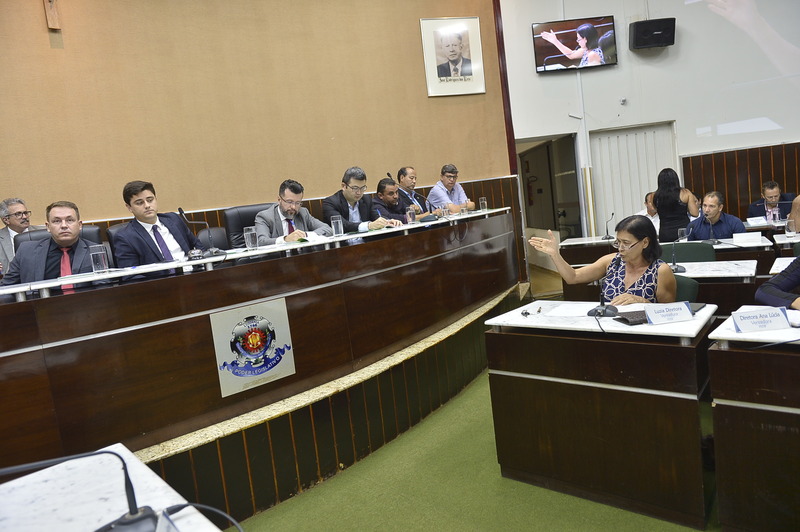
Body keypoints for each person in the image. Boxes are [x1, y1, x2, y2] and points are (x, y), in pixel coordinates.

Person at [528, 215, 676, 305]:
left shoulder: (660, 271)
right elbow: (573, 277)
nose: (620, 248)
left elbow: (670, 312)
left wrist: (642, 301)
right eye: (618, 242)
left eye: (626, 243)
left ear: (645, 242)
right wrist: (555, 254)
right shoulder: (612, 262)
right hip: (608, 328)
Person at [112, 181, 205, 273]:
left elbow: (199, 248)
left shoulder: (174, 220)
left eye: (150, 200)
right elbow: (130, 275)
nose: (147, 206)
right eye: (139, 203)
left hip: (193, 275)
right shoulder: (125, 237)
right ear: (129, 207)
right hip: (161, 281)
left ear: (156, 199)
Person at [1, 201, 95, 291]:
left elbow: (102, 287)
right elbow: (5, 288)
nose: (64, 225)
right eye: (57, 221)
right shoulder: (26, 251)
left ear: (79, 225)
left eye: (69, 220)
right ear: (48, 227)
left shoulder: (96, 251)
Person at [322, 167, 401, 233]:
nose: (359, 192)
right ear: (344, 186)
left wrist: (387, 222)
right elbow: (343, 225)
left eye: (362, 188)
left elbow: (376, 217)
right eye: (355, 188)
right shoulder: (330, 203)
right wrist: (368, 226)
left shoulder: (366, 199)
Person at [254, 179, 332, 246]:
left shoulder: (303, 213)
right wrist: (285, 239)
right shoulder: (265, 217)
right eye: (289, 202)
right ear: (279, 200)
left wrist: (305, 235)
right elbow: (261, 241)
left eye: (298, 203)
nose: (293, 207)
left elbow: (327, 229)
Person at [653, 168, 700, 241]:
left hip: (665, 232)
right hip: (683, 231)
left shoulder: (655, 196)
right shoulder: (685, 193)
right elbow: (695, 213)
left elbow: (655, 210)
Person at [0, 198, 45, 272]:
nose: (24, 217)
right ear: (6, 220)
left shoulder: (43, 232)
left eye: (25, 213)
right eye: (18, 214)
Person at [540, 23, 604, 67]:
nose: (577, 42)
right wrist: (555, 41)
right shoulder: (586, 49)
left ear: (585, 39)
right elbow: (571, 55)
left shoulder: (593, 54)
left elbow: (591, 75)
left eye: (579, 39)